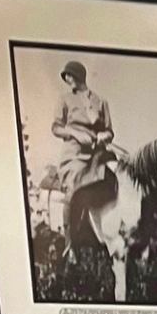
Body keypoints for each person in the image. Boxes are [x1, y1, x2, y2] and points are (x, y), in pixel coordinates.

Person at [51, 59, 115, 237]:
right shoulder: (64, 99)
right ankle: (70, 244)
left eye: (69, 74)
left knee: (117, 177)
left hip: (98, 154)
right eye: (66, 76)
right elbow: (56, 127)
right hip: (74, 156)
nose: (67, 78)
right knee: (74, 188)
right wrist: (74, 133)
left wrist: (104, 136)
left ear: (78, 75)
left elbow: (110, 131)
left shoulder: (101, 101)